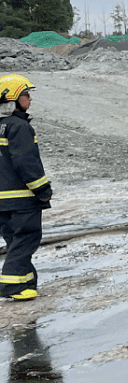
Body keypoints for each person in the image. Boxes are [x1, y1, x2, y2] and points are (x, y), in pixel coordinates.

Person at [0, 74, 53, 300]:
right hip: (21, 199)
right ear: (13, 100)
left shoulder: (2, 126)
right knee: (27, 238)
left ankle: (26, 282)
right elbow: (26, 162)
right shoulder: (19, 127)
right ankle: (12, 285)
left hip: (3, 202)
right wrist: (42, 190)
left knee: (15, 242)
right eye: (25, 95)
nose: (29, 99)